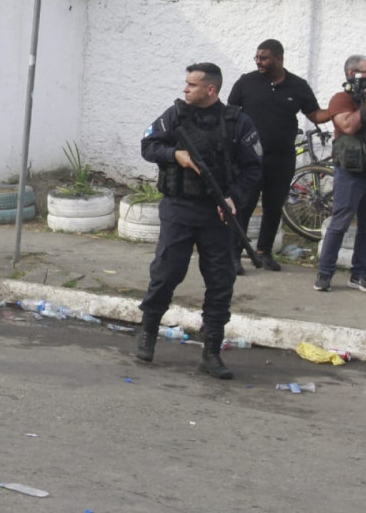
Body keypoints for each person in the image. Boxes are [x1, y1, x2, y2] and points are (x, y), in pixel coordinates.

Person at [135, 63, 262, 379]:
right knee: (166, 273)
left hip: (217, 214)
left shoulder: (237, 122)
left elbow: (253, 168)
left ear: (211, 89)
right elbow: (148, 145)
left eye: (192, 84)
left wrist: (233, 197)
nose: (185, 89)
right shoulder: (175, 115)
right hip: (179, 208)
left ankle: (211, 352)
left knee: (221, 282)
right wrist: (174, 156)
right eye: (185, 83)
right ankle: (148, 332)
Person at [227, 39, 329, 274]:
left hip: (282, 159)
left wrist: (337, 110)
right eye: (257, 58)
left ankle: (264, 252)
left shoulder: (298, 86)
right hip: (249, 160)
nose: (258, 62)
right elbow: (230, 114)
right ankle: (233, 255)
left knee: (274, 207)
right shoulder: (246, 82)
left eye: (263, 58)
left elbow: (314, 113)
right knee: (244, 205)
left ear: (279, 58)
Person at [313, 55, 366, 293]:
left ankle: (359, 274)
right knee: (340, 224)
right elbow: (348, 126)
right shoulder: (342, 99)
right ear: (351, 74)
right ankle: (324, 274)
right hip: (350, 172)